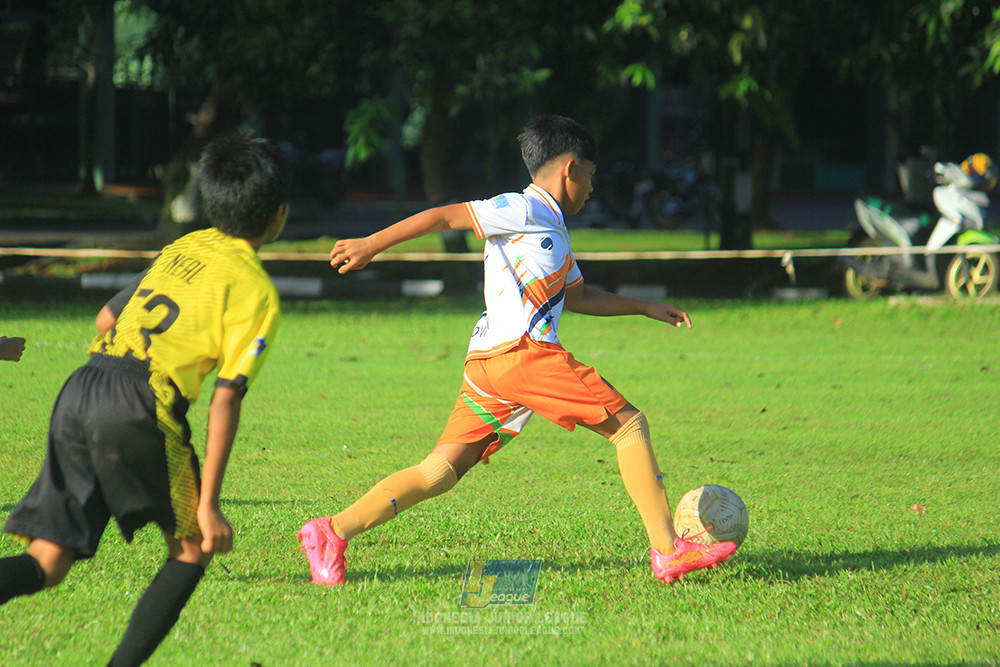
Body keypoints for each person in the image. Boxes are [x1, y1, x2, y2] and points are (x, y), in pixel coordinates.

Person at [298, 114, 736, 587]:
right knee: (629, 425)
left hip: (489, 363)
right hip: (522, 354)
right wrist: (371, 244)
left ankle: (331, 531)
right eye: (591, 173)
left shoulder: (553, 227)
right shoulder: (522, 208)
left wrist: (645, 307)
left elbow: (579, 296)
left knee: (440, 471)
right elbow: (445, 216)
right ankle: (668, 550)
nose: (592, 186)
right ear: (569, 169)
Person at [0, 134, 289, 666]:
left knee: (47, 560)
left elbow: (106, 318)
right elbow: (226, 398)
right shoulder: (256, 290)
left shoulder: (186, 247)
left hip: (82, 386)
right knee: (194, 547)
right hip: (140, 403)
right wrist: (208, 505)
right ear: (278, 215)